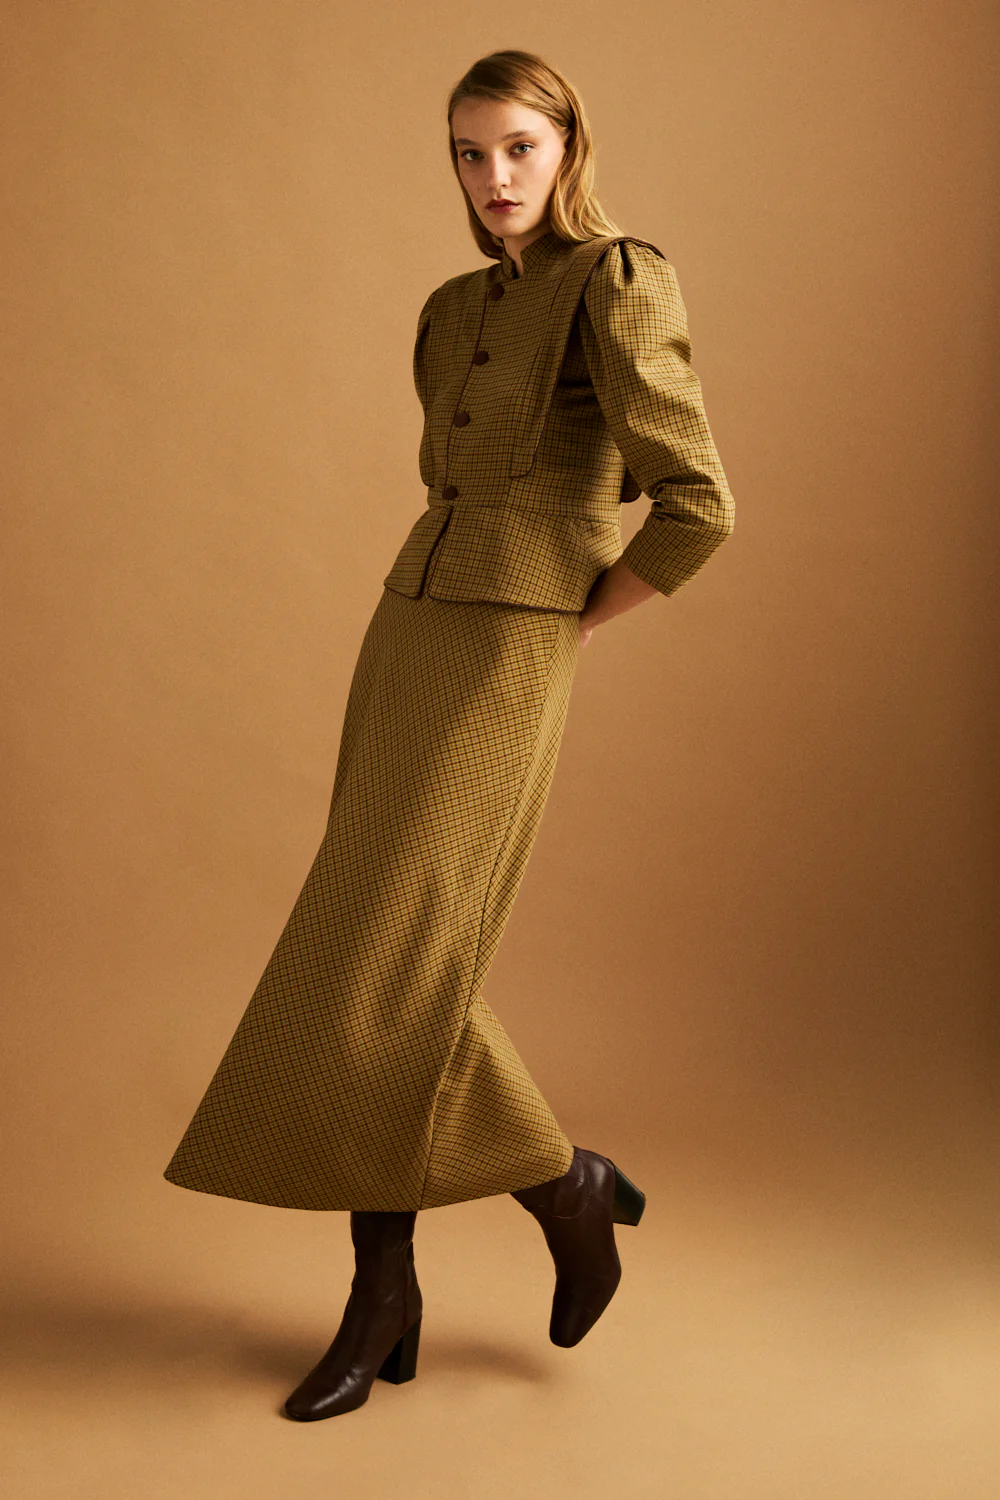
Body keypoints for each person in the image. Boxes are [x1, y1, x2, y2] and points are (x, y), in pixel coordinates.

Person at [162, 47, 735, 1423]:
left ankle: (519, 1213)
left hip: (510, 646)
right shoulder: (448, 308)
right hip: (408, 628)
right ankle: (440, 1259)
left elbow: (698, 505)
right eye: (471, 154)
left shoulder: (618, 280)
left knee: (393, 955)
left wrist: (571, 621)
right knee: (380, 951)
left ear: (568, 146)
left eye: (519, 148)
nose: (494, 178)